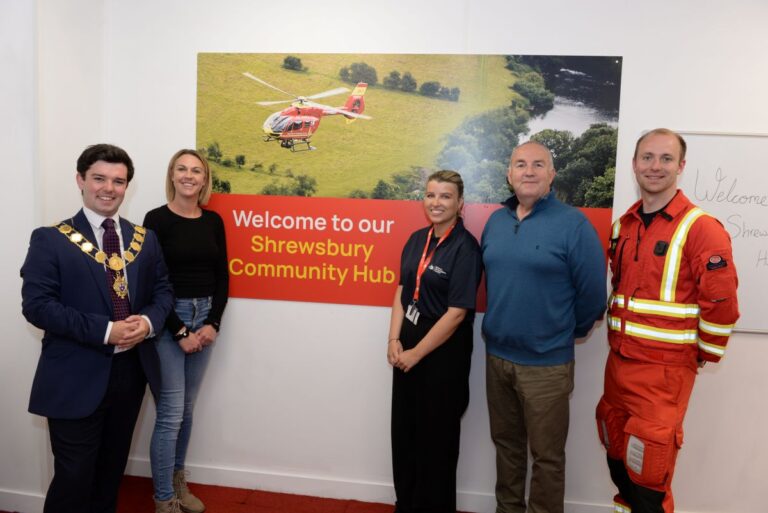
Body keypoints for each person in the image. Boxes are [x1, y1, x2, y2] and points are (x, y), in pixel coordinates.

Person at [20, 144, 173, 513]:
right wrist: (107, 331)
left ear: (127, 187)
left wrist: (148, 322)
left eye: (118, 181)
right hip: (75, 374)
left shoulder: (144, 239)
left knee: (110, 475)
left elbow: (163, 291)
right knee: (73, 479)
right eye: (99, 178)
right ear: (81, 180)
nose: (109, 188)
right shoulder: (50, 239)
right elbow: (38, 307)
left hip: (129, 374)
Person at [596, 129, 739, 513]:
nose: (654, 166)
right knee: (619, 466)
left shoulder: (700, 228)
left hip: (663, 377)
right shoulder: (623, 226)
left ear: (681, 166)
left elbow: (722, 303)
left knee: (649, 483)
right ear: (634, 164)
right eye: (647, 157)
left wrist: (701, 355)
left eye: (665, 158)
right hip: (619, 367)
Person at [481, 141, 606, 513]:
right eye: (521, 164)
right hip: (497, 359)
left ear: (552, 175)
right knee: (507, 447)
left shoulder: (573, 224)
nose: (529, 171)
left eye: (539, 165)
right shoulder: (495, 221)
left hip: (547, 366)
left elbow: (593, 297)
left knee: (547, 458)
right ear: (509, 174)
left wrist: (564, 333)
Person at [387, 170, 483, 513]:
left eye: (445, 196)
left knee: (436, 441)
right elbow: (401, 291)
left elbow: (457, 313)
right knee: (405, 433)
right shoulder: (416, 239)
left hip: (443, 353)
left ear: (460, 203)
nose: (436, 202)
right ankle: (407, 504)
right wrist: (394, 340)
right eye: (431, 195)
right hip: (408, 345)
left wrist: (416, 353)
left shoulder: (466, 248)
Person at [144, 149, 229, 513]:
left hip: (205, 316)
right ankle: (163, 499)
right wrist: (179, 330)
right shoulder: (156, 220)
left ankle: (178, 479)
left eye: (196, 170)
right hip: (168, 320)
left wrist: (213, 324)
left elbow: (223, 276)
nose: (189, 176)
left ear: (204, 179)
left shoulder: (213, 221)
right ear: (172, 175)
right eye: (182, 169)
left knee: (187, 410)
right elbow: (150, 282)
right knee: (171, 412)